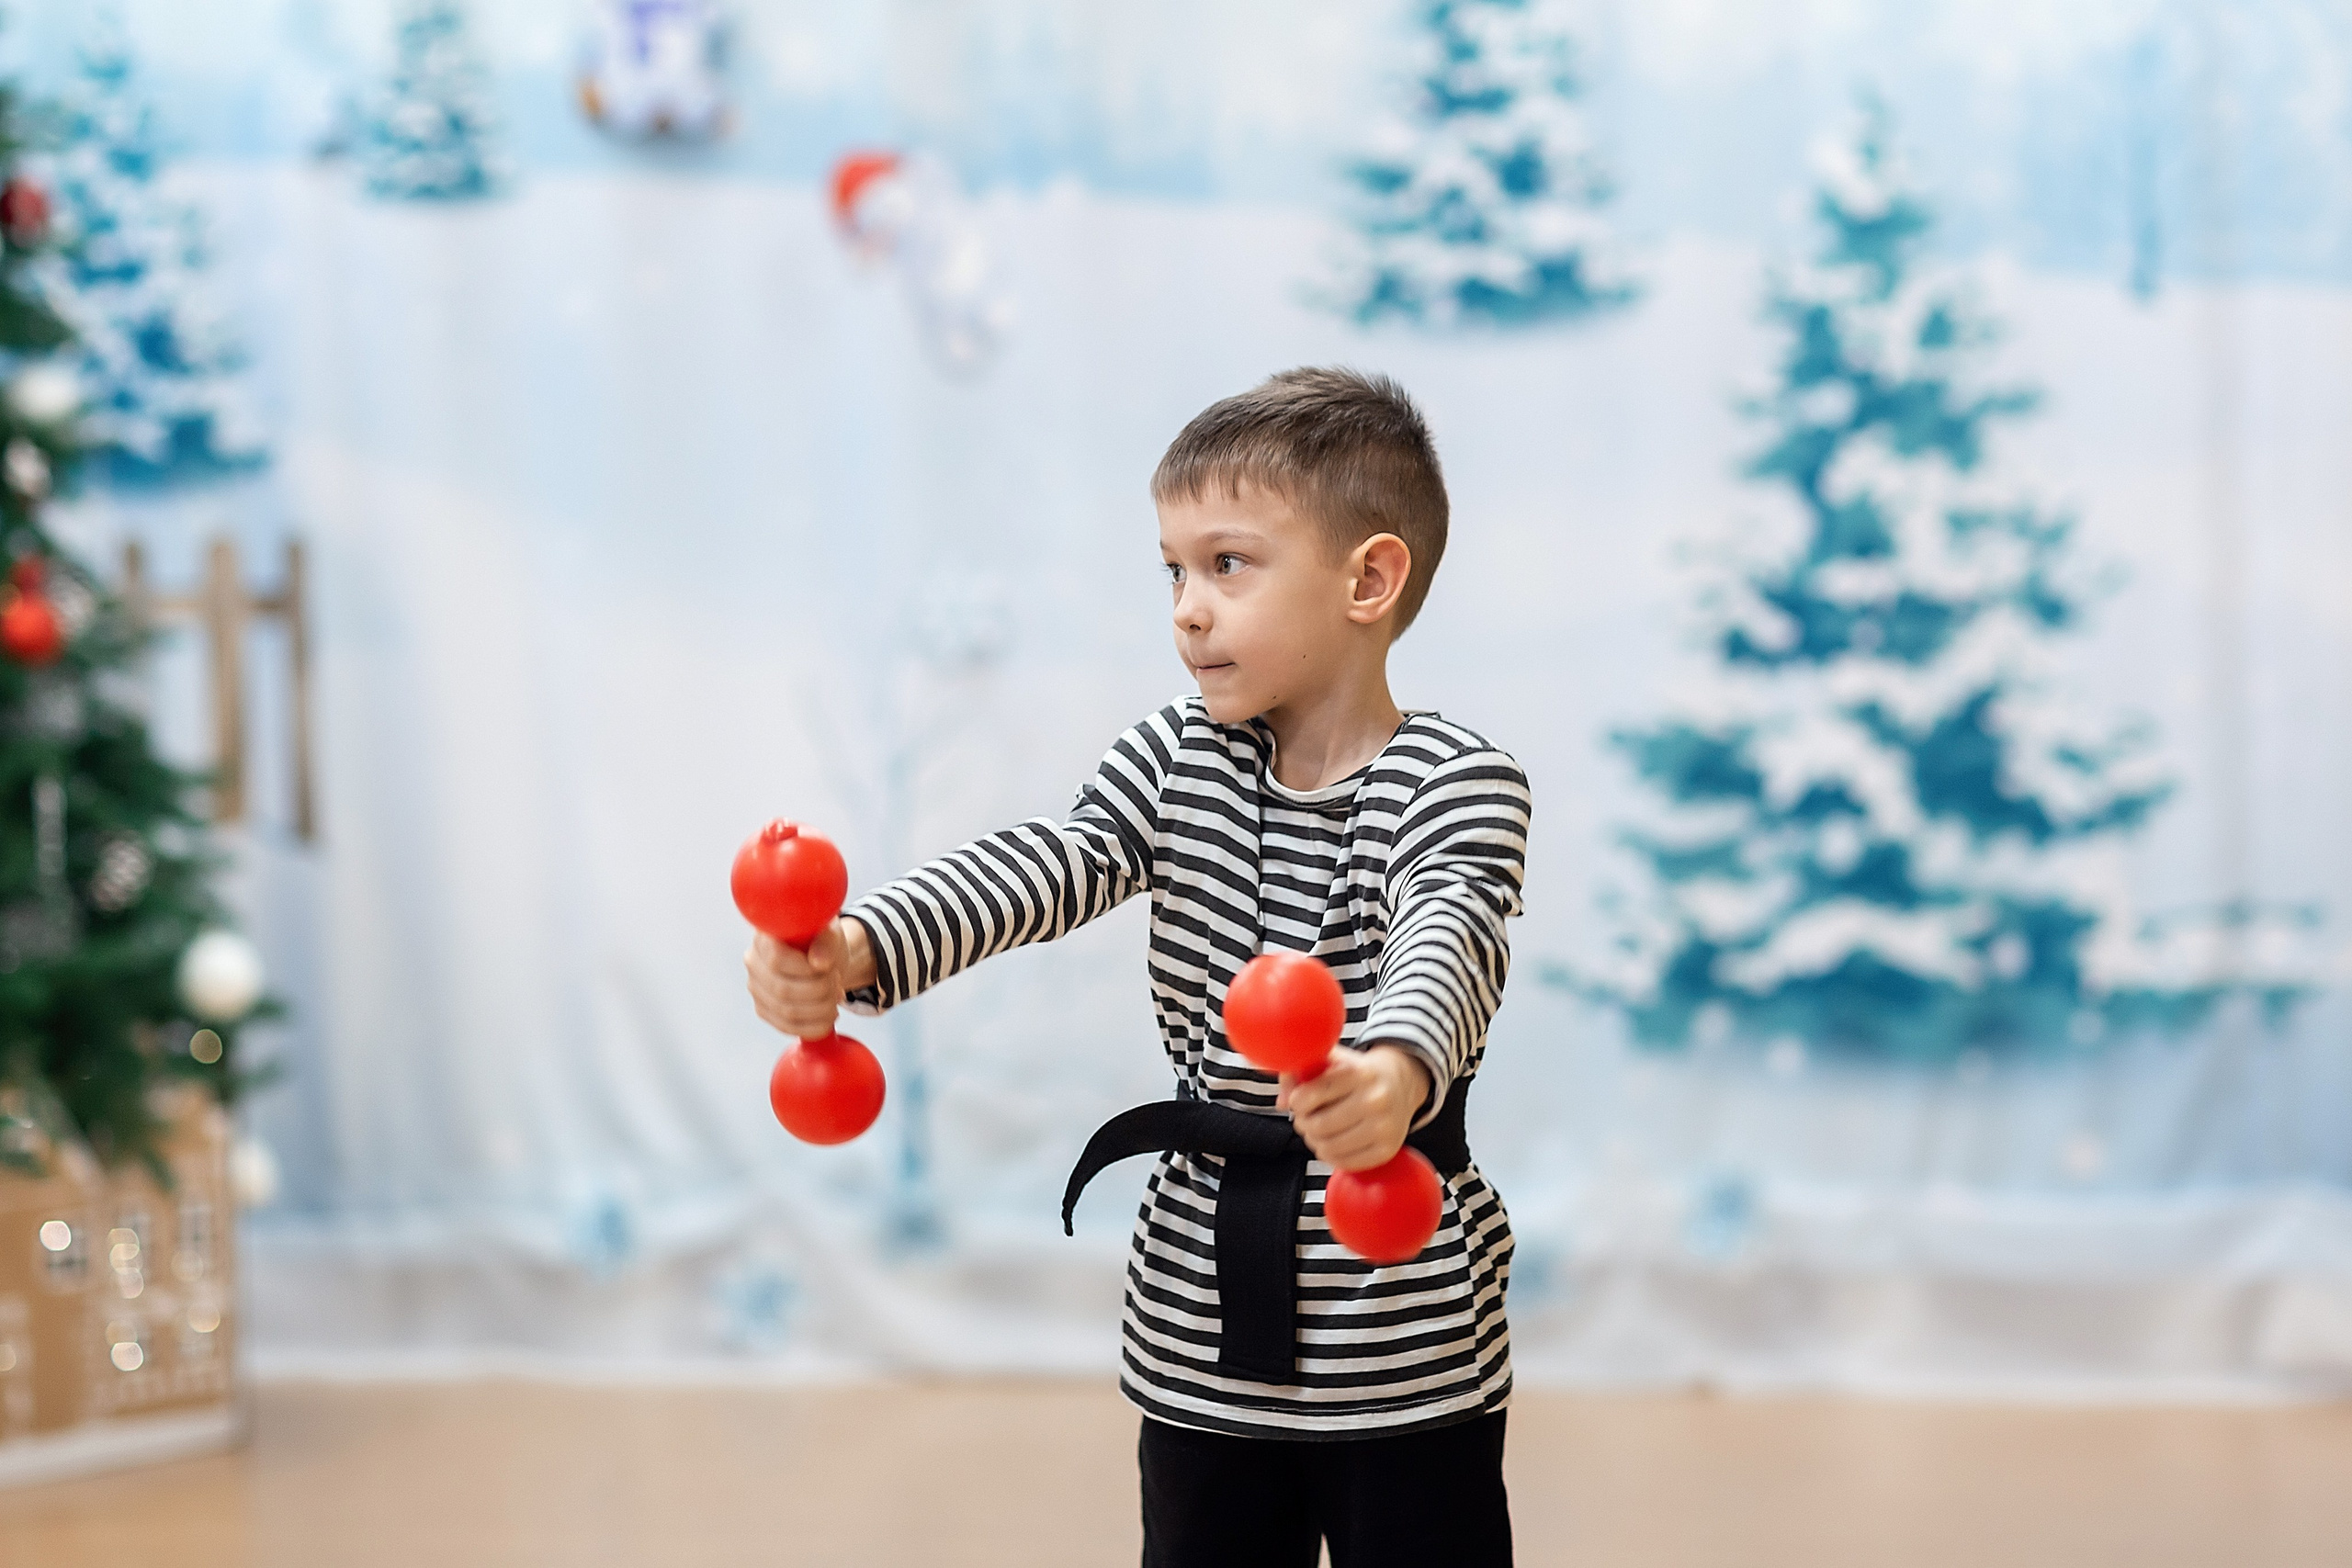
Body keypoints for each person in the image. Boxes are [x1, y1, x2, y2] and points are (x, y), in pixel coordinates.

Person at [745, 367, 1530, 1567]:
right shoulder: (1175, 755)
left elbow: (1450, 928)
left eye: (1228, 565)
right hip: (1198, 1321)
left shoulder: (1457, 781)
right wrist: (859, 951)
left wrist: (1393, 1071)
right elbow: (1054, 863)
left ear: (1368, 580)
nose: (1187, 610)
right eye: (1172, 569)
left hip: (1401, 1336)